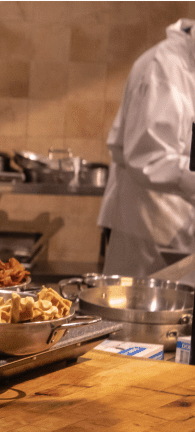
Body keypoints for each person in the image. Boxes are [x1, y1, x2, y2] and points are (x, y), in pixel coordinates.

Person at [98, 18, 195, 284]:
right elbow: (150, 157)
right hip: (148, 232)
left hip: (177, 232)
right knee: (136, 316)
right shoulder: (163, 67)